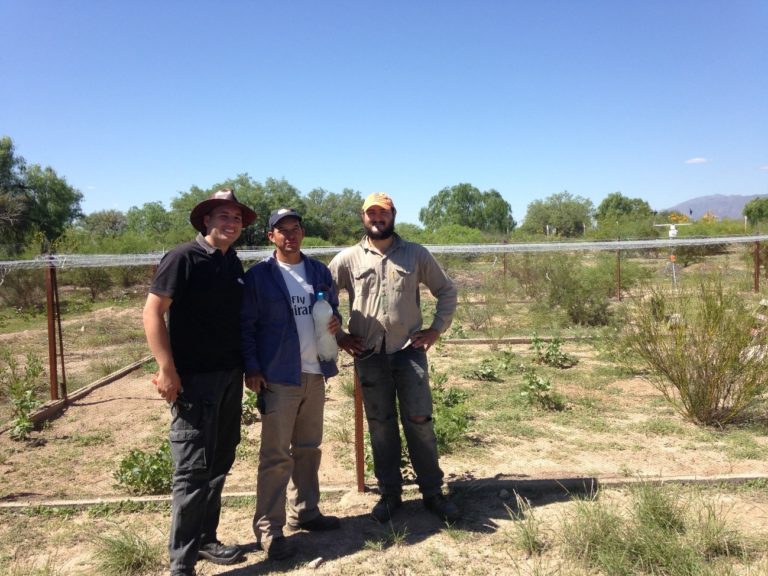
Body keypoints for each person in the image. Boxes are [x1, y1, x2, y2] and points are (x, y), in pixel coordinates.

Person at [143, 189, 256, 576]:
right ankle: (182, 564)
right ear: (205, 221)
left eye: (237, 219)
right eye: (223, 216)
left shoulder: (232, 263)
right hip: (194, 381)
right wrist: (166, 367)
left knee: (220, 461)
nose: (231, 223)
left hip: (228, 377)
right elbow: (153, 312)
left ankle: (206, 539)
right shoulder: (183, 258)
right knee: (192, 470)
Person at [328, 192, 460, 524]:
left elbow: (446, 290)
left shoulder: (416, 254)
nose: (377, 218)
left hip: (409, 352)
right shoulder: (347, 259)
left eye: (382, 213)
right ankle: (390, 495)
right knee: (381, 426)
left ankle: (432, 492)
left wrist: (435, 330)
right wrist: (340, 335)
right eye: (371, 213)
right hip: (369, 355)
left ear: (393, 215)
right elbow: (323, 297)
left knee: (419, 421)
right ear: (362, 217)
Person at [241, 208, 342, 561]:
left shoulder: (318, 271)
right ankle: (269, 529)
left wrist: (335, 322)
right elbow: (247, 326)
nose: (290, 236)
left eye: (295, 229)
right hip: (278, 376)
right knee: (275, 456)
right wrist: (251, 368)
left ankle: (307, 511)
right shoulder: (260, 277)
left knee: (309, 448)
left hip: (315, 373)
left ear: (302, 232)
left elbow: (333, 310)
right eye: (281, 231)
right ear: (271, 237)